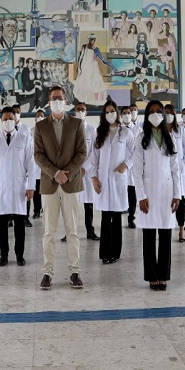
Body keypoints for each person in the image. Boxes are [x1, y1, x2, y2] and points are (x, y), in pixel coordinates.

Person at [34, 85, 87, 289]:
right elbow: (38, 155)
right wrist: (55, 173)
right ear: (48, 102)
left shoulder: (76, 123)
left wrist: (68, 173)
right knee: (49, 232)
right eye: (53, 98)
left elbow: (81, 152)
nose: (57, 101)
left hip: (71, 184)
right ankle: (47, 272)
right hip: (49, 185)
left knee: (72, 231)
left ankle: (75, 272)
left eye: (60, 98)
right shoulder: (41, 127)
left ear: (66, 101)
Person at [132, 100, 181, 291]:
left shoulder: (171, 138)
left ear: (163, 114)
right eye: (151, 111)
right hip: (149, 192)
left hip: (168, 192)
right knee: (150, 235)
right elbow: (136, 171)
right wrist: (141, 196)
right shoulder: (141, 138)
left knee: (166, 234)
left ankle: (164, 275)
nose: (154, 114)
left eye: (158, 111)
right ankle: (152, 276)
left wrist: (178, 194)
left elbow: (176, 169)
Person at [0, 107, 36, 266]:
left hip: (19, 188)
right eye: (5, 119)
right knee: (1, 227)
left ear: (15, 120)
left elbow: (31, 163)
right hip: (0, 189)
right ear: (1, 121)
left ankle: (19, 255)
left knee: (20, 227)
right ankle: (3, 255)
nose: (8, 121)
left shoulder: (24, 138)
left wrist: (31, 186)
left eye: (10, 118)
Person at [90, 101, 134, 264]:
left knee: (116, 218)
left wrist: (126, 164)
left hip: (118, 179)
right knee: (105, 217)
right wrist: (93, 177)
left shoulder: (126, 133)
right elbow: (93, 158)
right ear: (104, 114)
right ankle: (104, 254)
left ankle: (115, 253)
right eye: (107, 111)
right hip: (103, 180)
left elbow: (136, 151)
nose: (110, 114)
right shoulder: (99, 133)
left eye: (112, 111)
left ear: (117, 113)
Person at [67, 102, 99, 241]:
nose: (80, 111)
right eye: (78, 109)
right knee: (71, 204)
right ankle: (69, 233)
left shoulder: (92, 130)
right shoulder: (69, 129)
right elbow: (66, 152)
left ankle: (90, 231)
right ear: (74, 112)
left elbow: (94, 152)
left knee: (88, 204)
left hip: (86, 171)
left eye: (83, 110)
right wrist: (75, 168)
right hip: (73, 172)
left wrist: (84, 167)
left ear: (86, 112)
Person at [165, 104, 185, 243]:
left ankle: (181, 229)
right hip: (164, 172)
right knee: (165, 200)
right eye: (166, 112)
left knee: (180, 200)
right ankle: (166, 227)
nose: (168, 115)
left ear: (174, 115)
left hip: (179, 171)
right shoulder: (160, 130)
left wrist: (184, 162)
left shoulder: (180, 130)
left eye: (170, 112)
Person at [73, 33, 115, 105]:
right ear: (89, 39)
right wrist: (79, 68)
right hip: (85, 68)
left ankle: (94, 100)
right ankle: (86, 100)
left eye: (93, 39)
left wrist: (111, 66)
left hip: (93, 69)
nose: (92, 41)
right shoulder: (84, 47)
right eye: (91, 39)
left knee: (95, 85)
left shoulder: (96, 49)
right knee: (86, 84)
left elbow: (103, 59)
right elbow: (80, 58)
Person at [31, 110, 45, 218]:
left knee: (45, 191)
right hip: (34, 166)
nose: (40, 117)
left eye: (42, 116)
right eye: (38, 116)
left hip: (45, 167)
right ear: (35, 119)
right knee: (36, 191)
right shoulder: (30, 132)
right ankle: (36, 210)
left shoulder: (49, 132)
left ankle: (44, 209)